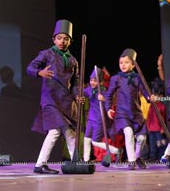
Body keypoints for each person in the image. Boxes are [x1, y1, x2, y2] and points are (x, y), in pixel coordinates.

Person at [26, 19, 82, 174]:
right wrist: (39, 72)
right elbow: (30, 68)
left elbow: (76, 81)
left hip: (66, 101)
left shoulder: (73, 60)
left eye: (66, 38)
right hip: (50, 99)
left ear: (70, 41)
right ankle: (40, 165)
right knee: (55, 131)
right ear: (53, 39)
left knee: (70, 132)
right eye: (59, 38)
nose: (62, 41)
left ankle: (76, 161)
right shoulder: (46, 54)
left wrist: (77, 96)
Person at [105, 48, 149, 170]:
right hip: (122, 113)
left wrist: (152, 97)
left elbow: (146, 93)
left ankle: (137, 156)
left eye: (126, 62)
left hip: (136, 112)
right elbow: (109, 95)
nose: (123, 65)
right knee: (128, 133)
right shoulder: (116, 78)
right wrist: (108, 108)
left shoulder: (138, 78)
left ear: (133, 64)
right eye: (121, 63)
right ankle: (131, 161)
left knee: (141, 137)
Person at [83, 67, 122, 164]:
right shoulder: (89, 90)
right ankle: (85, 161)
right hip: (91, 119)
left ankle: (116, 151)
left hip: (100, 120)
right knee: (86, 139)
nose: (92, 83)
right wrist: (78, 96)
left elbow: (110, 101)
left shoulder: (104, 91)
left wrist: (104, 99)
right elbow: (81, 93)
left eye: (95, 81)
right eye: (91, 80)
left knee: (95, 142)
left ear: (100, 82)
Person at [146, 77, 167, 162]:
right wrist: (147, 126)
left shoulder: (162, 106)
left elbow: (164, 117)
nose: (154, 97)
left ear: (161, 96)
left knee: (160, 143)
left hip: (159, 129)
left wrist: (162, 128)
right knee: (152, 144)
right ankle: (152, 156)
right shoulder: (151, 105)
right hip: (151, 129)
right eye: (153, 96)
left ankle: (160, 157)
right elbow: (149, 117)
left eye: (157, 96)